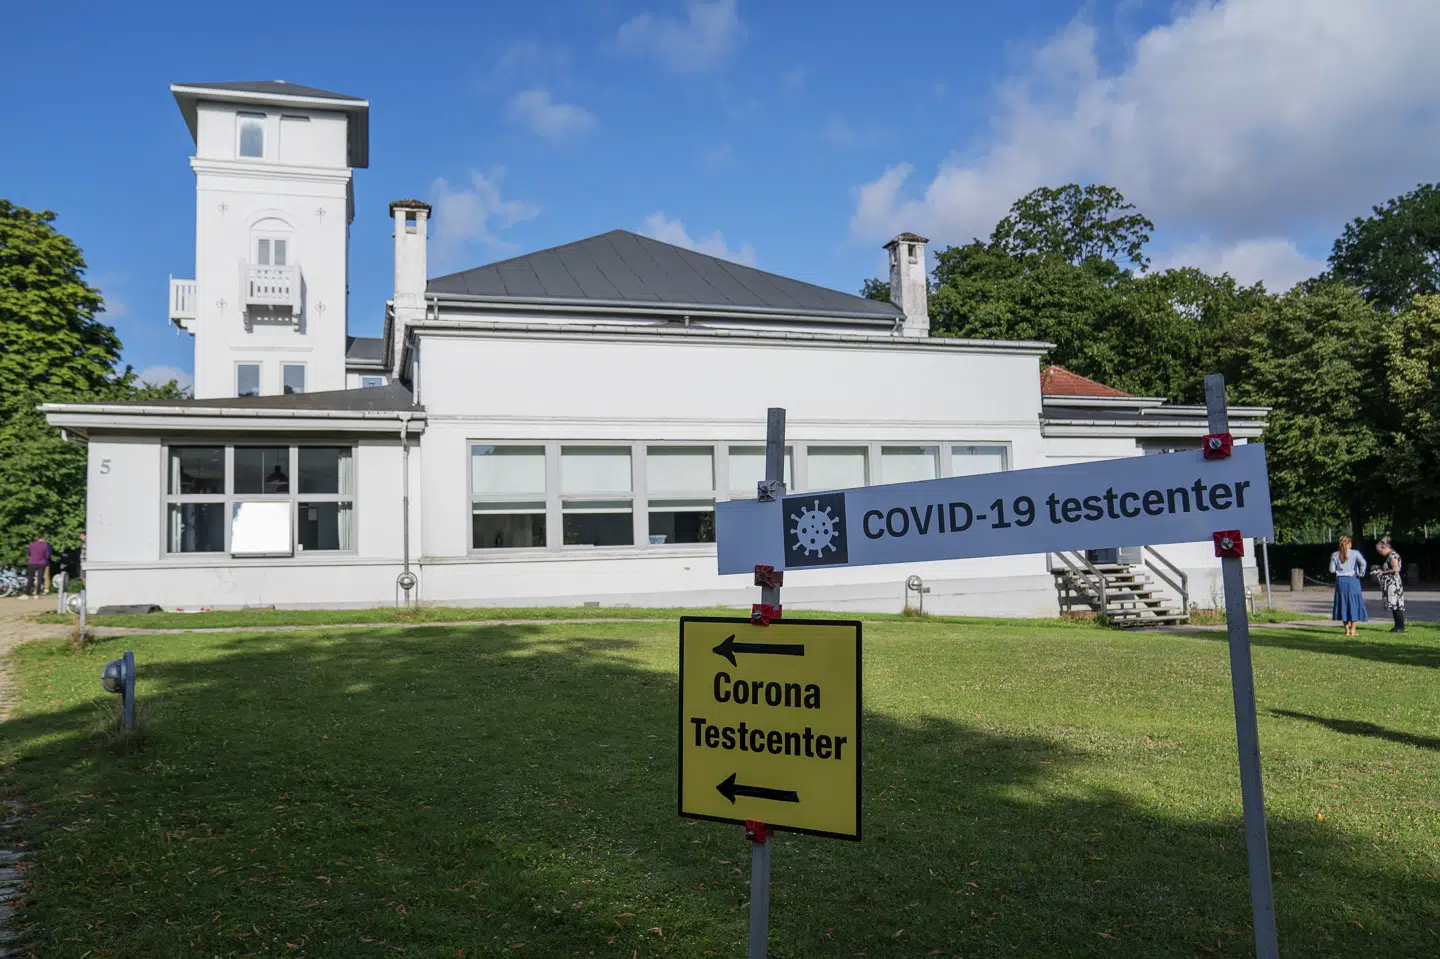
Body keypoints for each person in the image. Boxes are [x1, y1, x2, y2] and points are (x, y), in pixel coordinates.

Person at [1329, 535, 1368, 636]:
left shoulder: (1335, 555)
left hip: (1341, 581)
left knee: (1343, 604)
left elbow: (1332, 570)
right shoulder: (1355, 553)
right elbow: (1363, 563)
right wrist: (1361, 573)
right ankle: (1353, 630)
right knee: (1354, 603)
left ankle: (1346, 630)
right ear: (1350, 544)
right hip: (1353, 580)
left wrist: (1339, 569)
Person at [1371, 536, 1406, 633]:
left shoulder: (1393, 556)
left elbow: (1395, 569)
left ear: (1385, 547)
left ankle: (1400, 627)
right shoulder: (1389, 556)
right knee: (1394, 605)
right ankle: (1397, 626)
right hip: (1391, 583)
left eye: (1380, 551)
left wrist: (1383, 572)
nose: (1380, 553)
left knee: (1397, 605)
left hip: (1394, 584)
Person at [24, 534, 51, 600]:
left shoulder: (31, 545)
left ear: (37, 538)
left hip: (32, 562)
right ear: (42, 538)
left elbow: (29, 553)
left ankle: (27, 594)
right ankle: (37, 594)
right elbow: (47, 555)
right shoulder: (45, 545)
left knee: (30, 578)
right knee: (40, 578)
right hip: (41, 563)